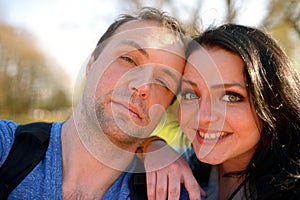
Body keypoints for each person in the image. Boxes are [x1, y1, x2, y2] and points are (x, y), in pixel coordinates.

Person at [0, 7, 200, 199]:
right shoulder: (8, 148)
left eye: (162, 83)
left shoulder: (176, 193)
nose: (142, 86)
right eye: (128, 59)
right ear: (91, 64)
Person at [179, 24, 300, 199]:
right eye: (190, 94)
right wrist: (149, 146)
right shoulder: (181, 169)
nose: (203, 117)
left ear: (273, 103)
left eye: (231, 97)